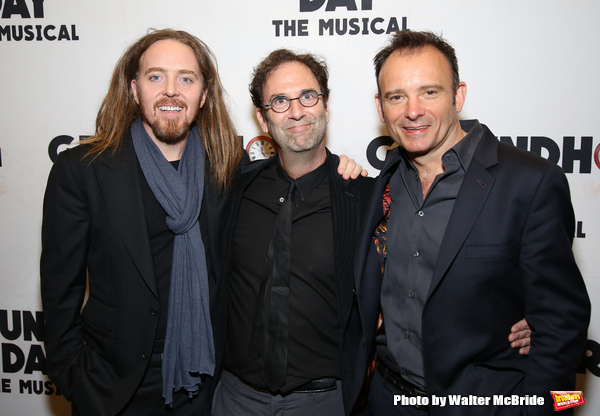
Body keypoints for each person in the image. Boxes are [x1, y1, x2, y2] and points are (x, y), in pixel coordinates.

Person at [352, 30, 590, 415]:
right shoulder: (381, 183)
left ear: (458, 95)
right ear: (381, 108)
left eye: (429, 92)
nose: (413, 110)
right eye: (397, 97)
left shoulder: (529, 182)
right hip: (387, 400)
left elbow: (562, 325)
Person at [40, 29, 243, 416]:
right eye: (155, 77)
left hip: (204, 380)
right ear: (134, 90)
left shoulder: (230, 168)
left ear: (203, 95)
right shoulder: (82, 171)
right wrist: (73, 377)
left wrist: (339, 168)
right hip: (113, 387)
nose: (170, 90)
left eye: (186, 78)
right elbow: (58, 289)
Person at [211, 49, 375, 416]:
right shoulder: (233, 189)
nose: (296, 111)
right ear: (263, 118)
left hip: (324, 401)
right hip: (234, 398)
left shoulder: (363, 197)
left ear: (326, 105)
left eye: (308, 96)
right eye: (280, 101)